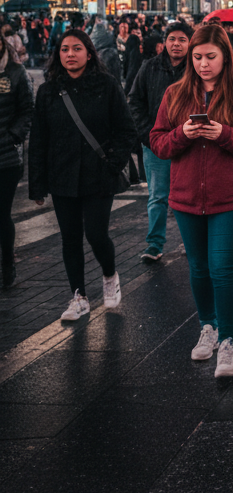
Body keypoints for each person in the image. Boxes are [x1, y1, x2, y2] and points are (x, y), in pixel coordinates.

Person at [149, 24, 233, 378]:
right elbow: (157, 142)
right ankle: (208, 326)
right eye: (197, 57)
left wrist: (225, 135)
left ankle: (229, 341)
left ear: (225, 57)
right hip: (186, 197)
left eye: (210, 57)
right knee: (198, 267)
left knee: (221, 267)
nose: (203, 64)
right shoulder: (175, 93)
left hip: (229, 198)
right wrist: (182, 134)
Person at [29, 29, 138, 322]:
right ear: (58, 54)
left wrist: (113, 164)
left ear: (89, 54)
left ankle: (109, 273)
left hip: (98, 175)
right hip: (62, 176)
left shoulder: (106, 85)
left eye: (77, 49)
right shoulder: (49, 91)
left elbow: (126, 130)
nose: (70, 55)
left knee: (96, 234)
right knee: (70, 238)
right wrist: (38, 185)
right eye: (64, 49)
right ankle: (78, 297)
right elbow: (39, 140)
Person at [128, 21, 193, 263]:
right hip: (156, 145)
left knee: (190, 195)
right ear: (164, 42)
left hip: (189, 144)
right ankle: (155, 244)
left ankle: (191, 241)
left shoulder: (196, 68)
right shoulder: (149, 67)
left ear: (190, 43)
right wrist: (148, 135)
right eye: (172, 39)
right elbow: (135, 102)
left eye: (182, 40)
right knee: (157, 196)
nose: (176, 44)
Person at [0, 40, 33, 288]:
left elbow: (27, 110)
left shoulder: (15, 72)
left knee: (2, 215)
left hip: (6, 158)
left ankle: (7, 263)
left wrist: (13, 136)